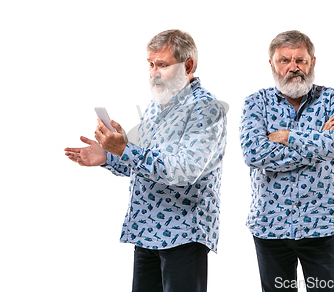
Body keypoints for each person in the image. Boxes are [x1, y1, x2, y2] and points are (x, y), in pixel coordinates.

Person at [65, 29, 227, 292]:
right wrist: (108, 154)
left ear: (188, 66)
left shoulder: (205, 109)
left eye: (162, 64)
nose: (154, 72)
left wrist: (125, 149)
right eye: (151, 64)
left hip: (183, 234)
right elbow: (143, 162)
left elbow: (182, 170)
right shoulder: (158, 104)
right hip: (146, 230)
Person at [239, 30, 334, 292]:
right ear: (272, 64)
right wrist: (318, 141)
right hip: (270, 226)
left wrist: (289, 137)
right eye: (285, 60)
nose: (294, 68)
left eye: (300, 60)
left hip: (321, 225)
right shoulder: (256, 103)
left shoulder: (332, 99)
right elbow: (254, 154)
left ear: (312, 62)